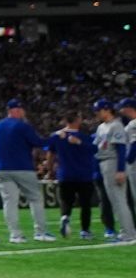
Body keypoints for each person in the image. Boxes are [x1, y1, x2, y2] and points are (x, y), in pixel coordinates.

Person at [0, 99, 53, 243]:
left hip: (2, 169)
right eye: (21, 109)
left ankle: (15, 235)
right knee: (35, 199)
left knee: (9, 202)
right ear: (16, 110)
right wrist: (54, 138)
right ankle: (41, 233)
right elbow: (38, 143)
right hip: (23, 168)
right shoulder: (23, 126)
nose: (23, 112)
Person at [48, 114, 98, 239]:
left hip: (65, 174)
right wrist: (80, 143)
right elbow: (94, 150)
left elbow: (50, 155)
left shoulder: (56, 137)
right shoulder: (85, 137)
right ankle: (85, 231)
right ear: (78, 121)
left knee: (66, 201)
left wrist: (50, 170)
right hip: (84, 175)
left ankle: (65, 217)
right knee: (85, 204)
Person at [93, 99, 134, 243]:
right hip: (104, 162)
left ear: (107, 109)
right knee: (115, 201)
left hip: (113, 162)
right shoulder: (101, 127)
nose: (96, 113)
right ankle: (127, 232)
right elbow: (95, 147)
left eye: (98, 111)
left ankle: (128, 234)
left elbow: (121, 148)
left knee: (119, 200)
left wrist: (120, 170)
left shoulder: (116, 125)